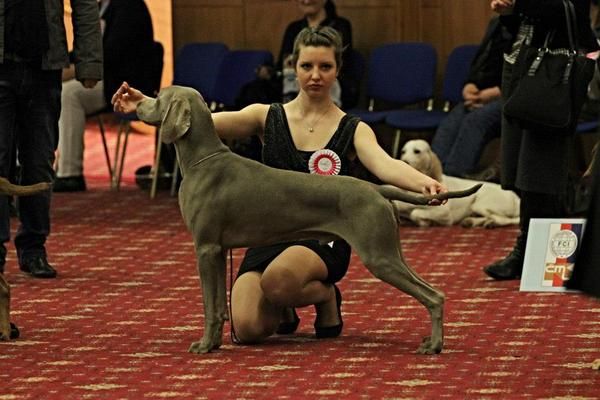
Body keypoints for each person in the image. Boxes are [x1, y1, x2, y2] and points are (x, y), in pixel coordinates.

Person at [114, 27, 447, 343]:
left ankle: (324, 295)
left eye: (325, 66)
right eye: (307, 66)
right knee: (248, 327)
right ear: (293, 67)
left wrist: (424, 183)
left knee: (279, 282)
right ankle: (284, 304)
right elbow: (195, 119)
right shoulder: (266, 115)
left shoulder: (353, 127)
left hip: (322, 234)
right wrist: (147, 105)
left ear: (337, 71)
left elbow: (384, 164)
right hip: (269, 236)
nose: (315, 75)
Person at [483, 0, 599, 280]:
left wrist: (520, 4)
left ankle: (534, 252)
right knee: (518, 168)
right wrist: (508, 12)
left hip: (556, 72)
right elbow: (522, 26)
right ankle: (533, 249)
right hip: (522, 68)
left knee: (540, 168)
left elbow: (567, 11)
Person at [0, 0, 102, 277]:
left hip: (44, 68)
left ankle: (34, 248)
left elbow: (84, 4)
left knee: (40, 161)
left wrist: (89, 62)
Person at [53, 0, 154, 192]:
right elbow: (86, 49)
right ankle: (55, 166)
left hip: (124, 85)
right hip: (106, 79)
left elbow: (112, 53)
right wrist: (61, 65)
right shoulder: (103, 6)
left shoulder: (130, 7)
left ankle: (70, 174)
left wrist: (75, 70)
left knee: (70, 94)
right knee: (60, 87)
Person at [431, 17, 511, 180]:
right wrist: (471, 84)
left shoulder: (531, 23)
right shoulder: (497, 23)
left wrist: (497, 92)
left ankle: (453, 180)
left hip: (513, 96)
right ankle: (431, 177)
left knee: (475, 120)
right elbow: (483, 61)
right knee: (452, 121)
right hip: (484, 94)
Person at [279, 0, 358, 109]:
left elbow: (344, 65)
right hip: (295, 81)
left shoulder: (341, 25)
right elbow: (282, 64)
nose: (306, 1)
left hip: (332, 84)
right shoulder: (293, 28)